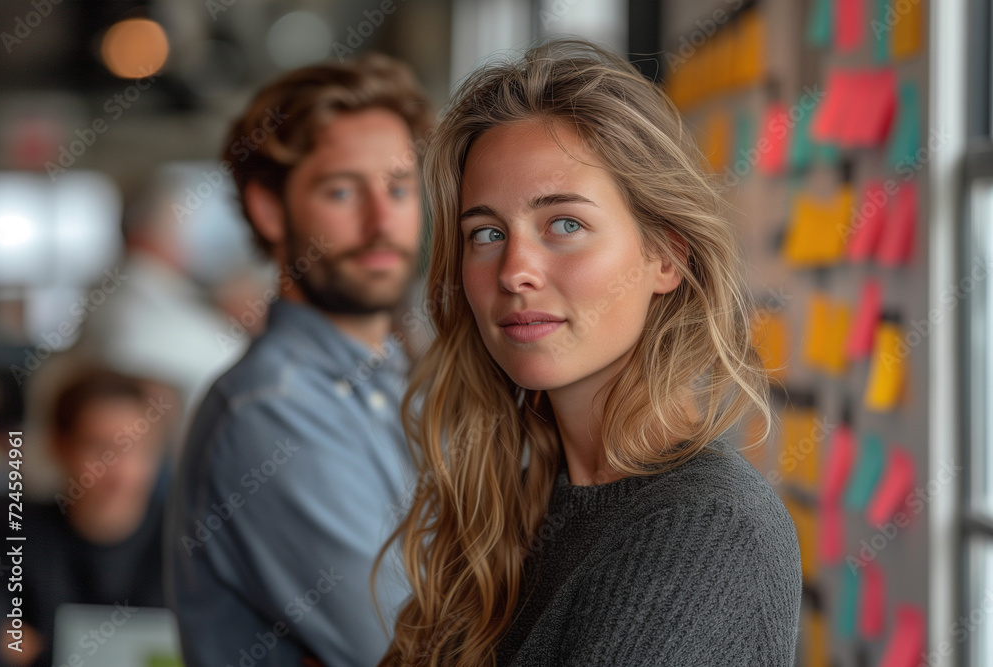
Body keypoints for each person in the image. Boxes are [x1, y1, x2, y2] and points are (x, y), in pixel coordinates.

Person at [377, 39, 803, 666]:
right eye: (487, 233)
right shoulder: (517, 507)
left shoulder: (708, 528)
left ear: (666, 256)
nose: (515, 271)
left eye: (565, 224)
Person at [165, 54, 433, 667]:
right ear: (268, 209)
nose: (381, 221)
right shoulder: (271, 412)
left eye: (398, 187)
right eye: (342, 190)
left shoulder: (396, 377)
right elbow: (415, 650)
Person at [0, 367, 173, 667]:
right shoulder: (14, 536)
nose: (120, 473)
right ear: (58, 445)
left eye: (137, 451)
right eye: (100, 450)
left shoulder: (189, 549)